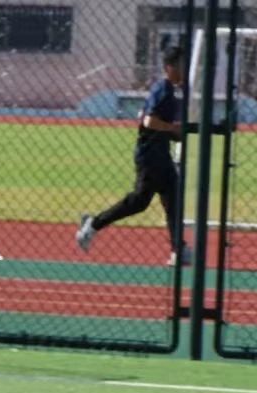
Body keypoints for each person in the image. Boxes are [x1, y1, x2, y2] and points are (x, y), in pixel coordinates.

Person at [76, 45, 189, 266]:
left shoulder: (176, 90)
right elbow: (148, 120)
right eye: (182, 65)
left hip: (162, 154)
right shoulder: (163, 88)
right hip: (149, 155)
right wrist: (173, 129)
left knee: (173, 200)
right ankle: (93, 224)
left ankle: (179, 249)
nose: (185, 69)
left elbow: (158, 121)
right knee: (139, 201)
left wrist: (175, 134)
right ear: (170, 67)